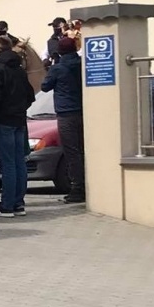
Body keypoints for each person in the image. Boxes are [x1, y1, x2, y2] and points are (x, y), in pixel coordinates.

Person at [0, 34, 35, 217]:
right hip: (19, 119)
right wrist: (19, 109)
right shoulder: (19, 69)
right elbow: (30, 95)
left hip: (2, 120)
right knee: (19, 161)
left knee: (8, 164)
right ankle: (19, 203)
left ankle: (7, 206)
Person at [42, 37, 85, 203]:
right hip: (82, 111)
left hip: (66, 113)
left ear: (59, 51)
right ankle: (87, 184)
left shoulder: (58, 68)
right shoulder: (82, 64)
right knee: (83, 149)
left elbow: (45, 86)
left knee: (71, 151)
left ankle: (77, 188)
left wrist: (50, 68)